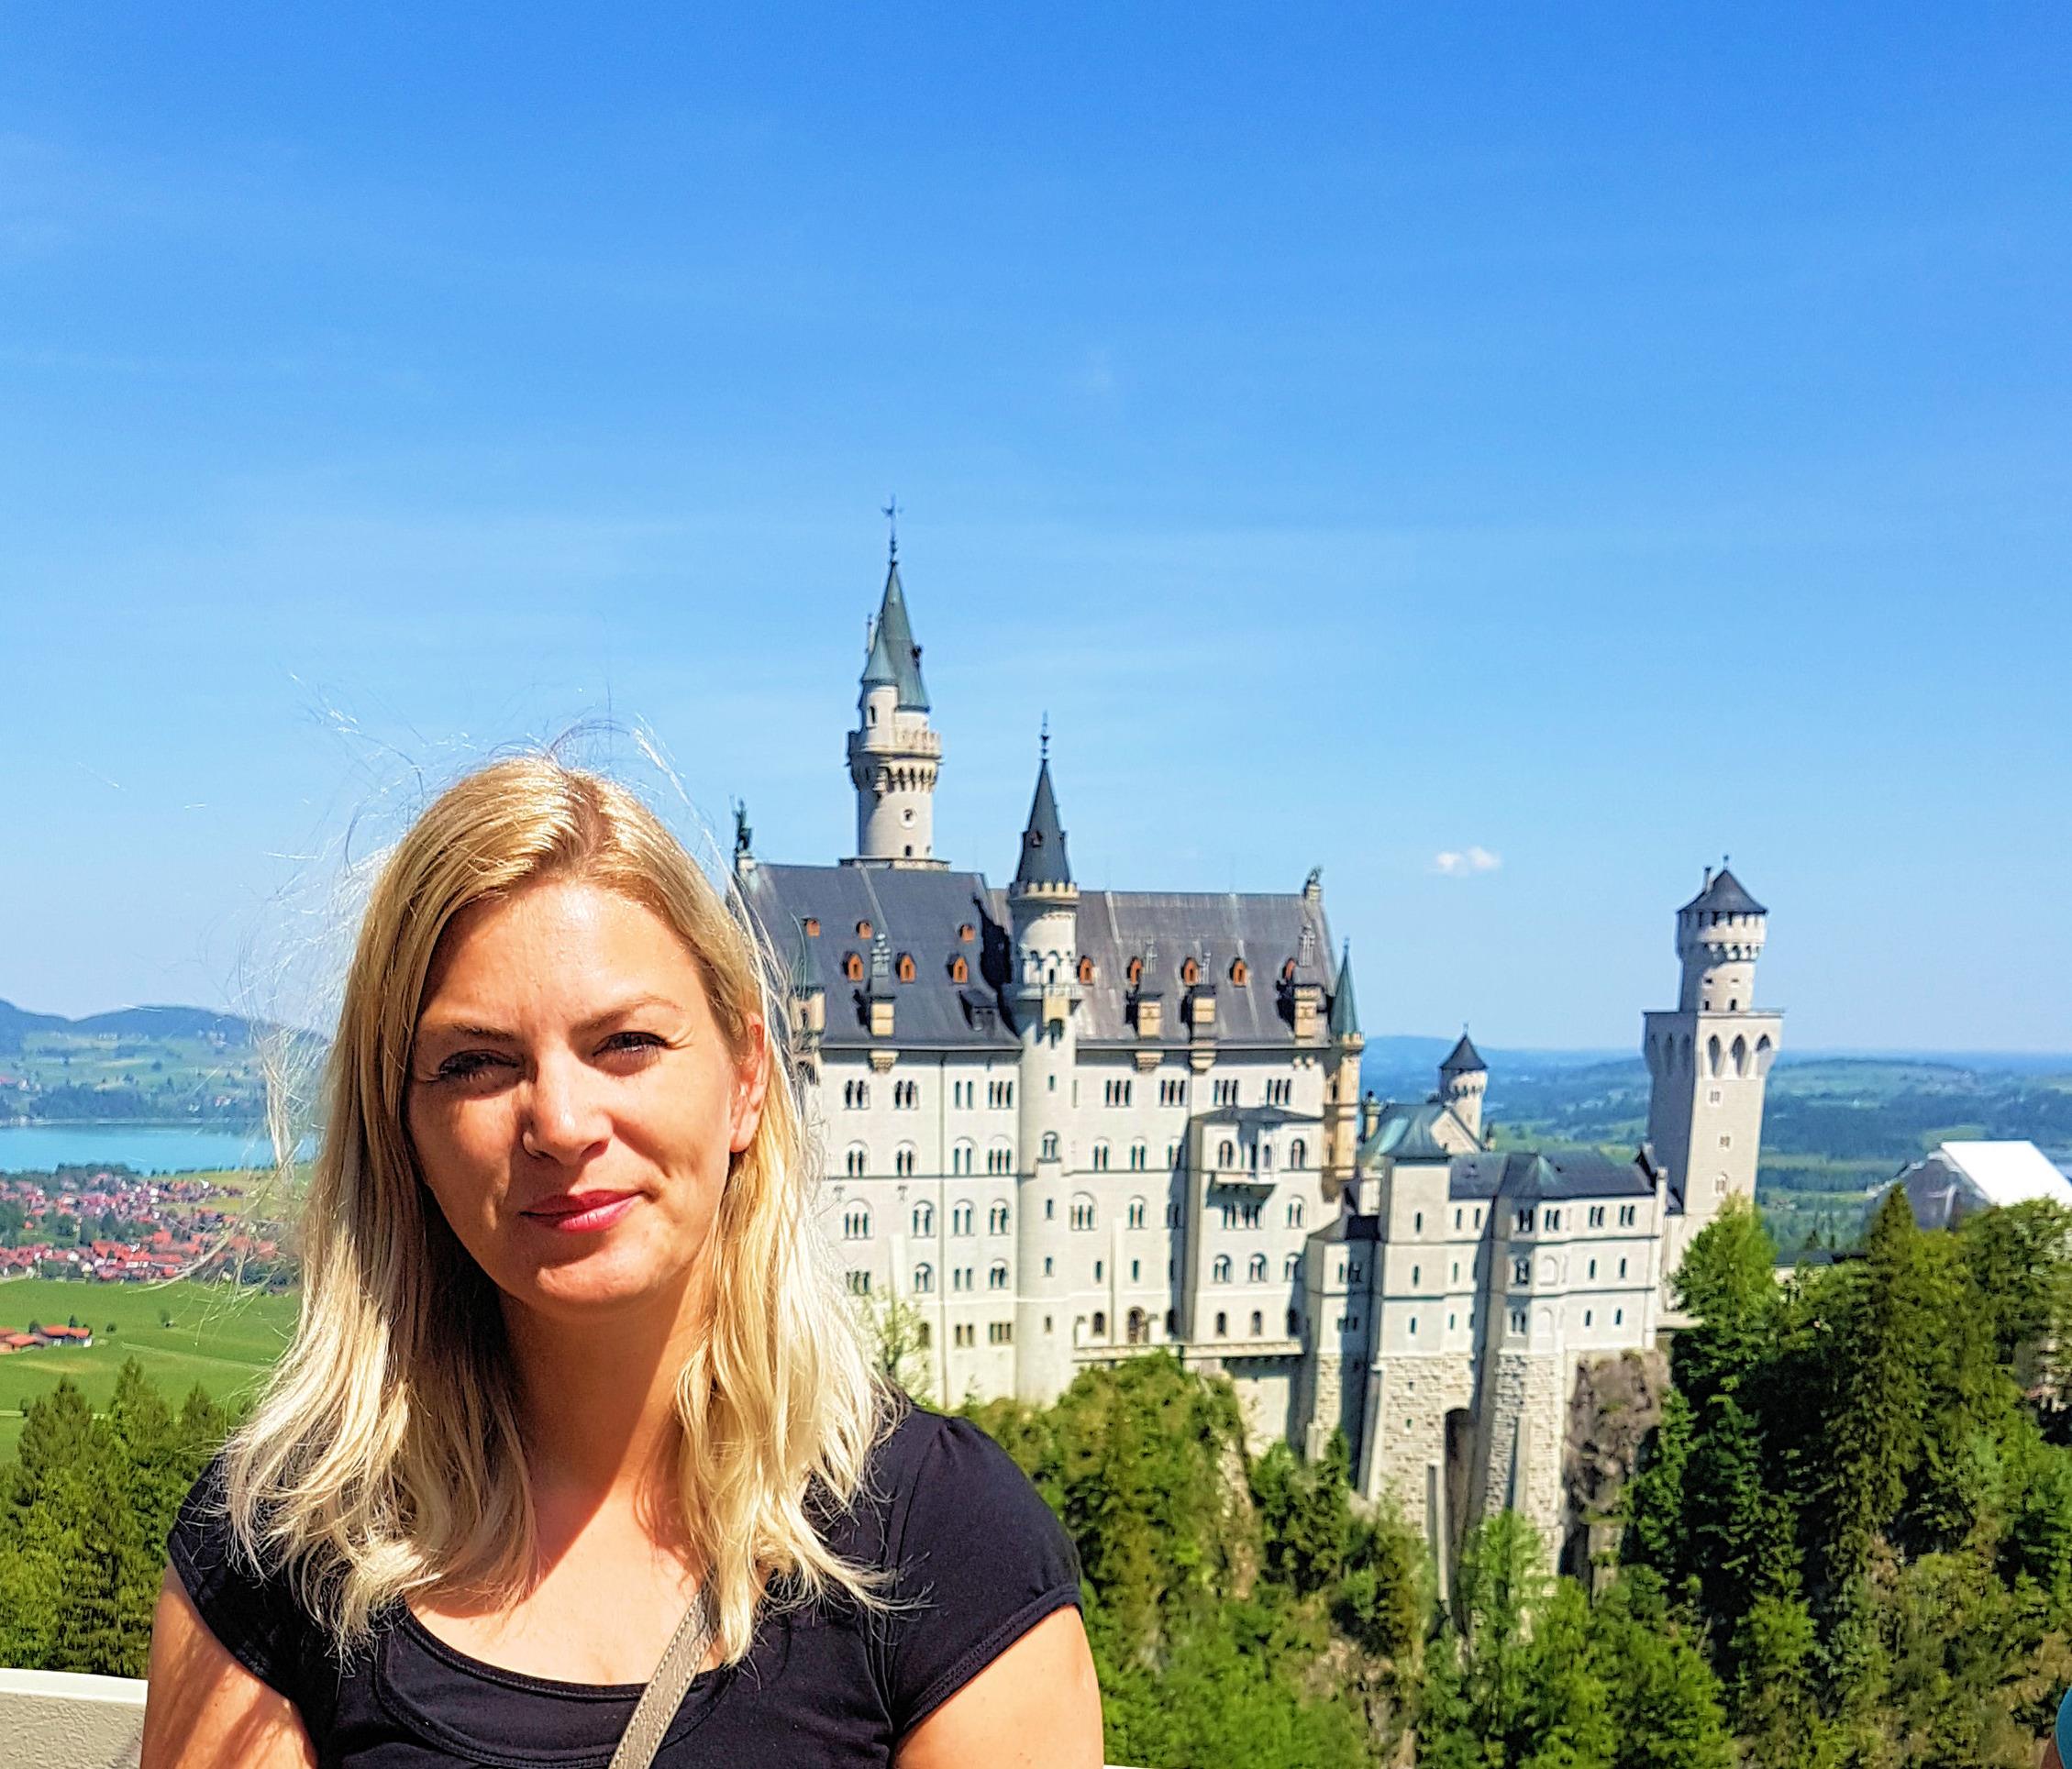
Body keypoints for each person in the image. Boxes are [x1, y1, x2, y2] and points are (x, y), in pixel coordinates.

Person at [139, 755, 1104, 1767]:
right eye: (477, 1063)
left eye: (627, 1043)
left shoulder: (948, 1545)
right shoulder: (278, 1545)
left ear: (747, 1078)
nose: (560, 1122)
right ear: (403, 1127)